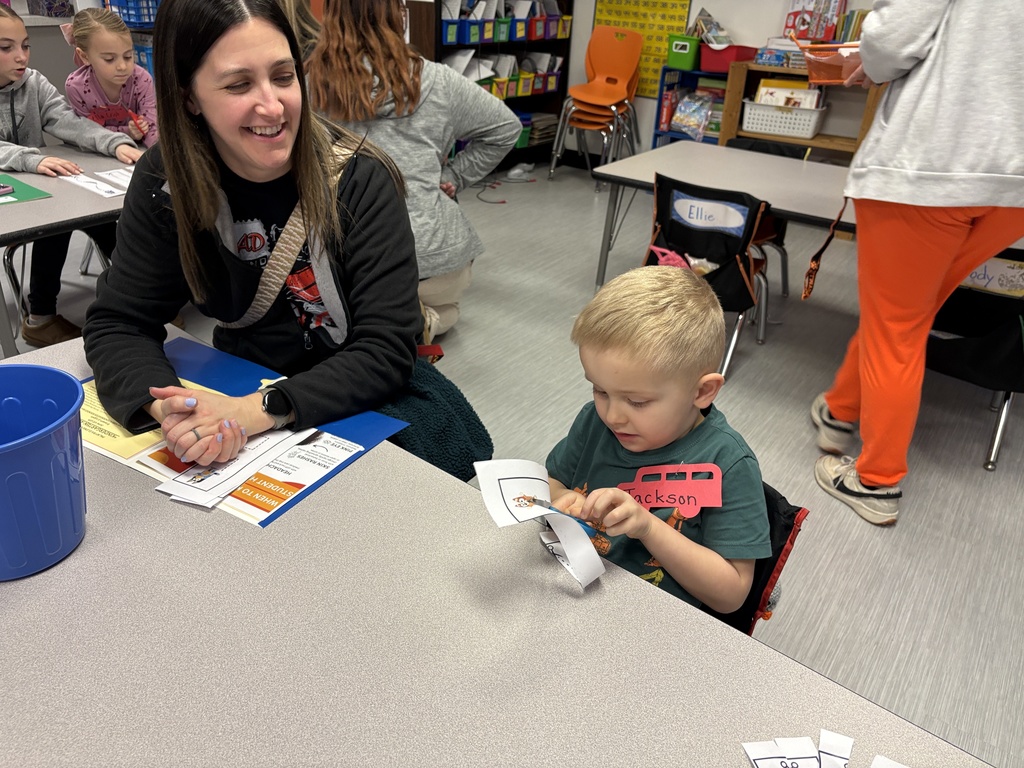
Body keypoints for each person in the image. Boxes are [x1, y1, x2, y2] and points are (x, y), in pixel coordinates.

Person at [83, 0, 422, 468]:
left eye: (284, 77)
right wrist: (172, 410)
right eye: (239, 84)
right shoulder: (167, 182)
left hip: (351, 396)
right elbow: (120, 321)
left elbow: (386, 349)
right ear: (188, 97)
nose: (272, 104)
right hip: (239, 377)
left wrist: (255, 412)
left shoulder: (359, 179)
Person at [810, 0, 1024, 526]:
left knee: (896, 326)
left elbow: (891, 42)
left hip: (929, 167)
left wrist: (871, 53)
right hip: (1012, 183)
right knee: (906, 315)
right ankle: (839, 410)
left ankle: (877, 481)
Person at [545, 266, 771, 612]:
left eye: (637, 402)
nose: (614, 415)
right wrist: (563, 499)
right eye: (599, 390)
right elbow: (554, 480)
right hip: (574, 591)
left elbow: (732, 594)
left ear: (702, 391)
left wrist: (649, 527)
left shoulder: (727, 463)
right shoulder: (595, 421)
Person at [306, 0, 521, 337]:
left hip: (347, 262)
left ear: (329, 17)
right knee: (449, 308)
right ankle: (422, 320)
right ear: (398, 16)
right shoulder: (438, 80)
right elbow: (506, 128)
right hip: (435, 260)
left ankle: (373, 320)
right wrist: (452, 177)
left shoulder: (308, 85)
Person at [0, 4, 142, 348]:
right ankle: (41, 317)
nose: (21, 57)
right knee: (55, 228)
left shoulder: (33, 83)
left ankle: (137, 298)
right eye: (6, 48)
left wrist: (115, 144)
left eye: (26, 45)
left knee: (105, 219)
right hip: (10, 205)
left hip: (38, 192)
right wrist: (29, 159)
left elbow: (69, 123)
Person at [64, 7, 159, 148]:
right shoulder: (76, 87)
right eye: (109, 59)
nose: (122, 66)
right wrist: (128, 132)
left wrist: (162, 155)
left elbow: (152, 128)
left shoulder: (141, 79)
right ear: (84, 56)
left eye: (128, 56)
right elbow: (88, 132)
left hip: (140, 153)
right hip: (101, 153)